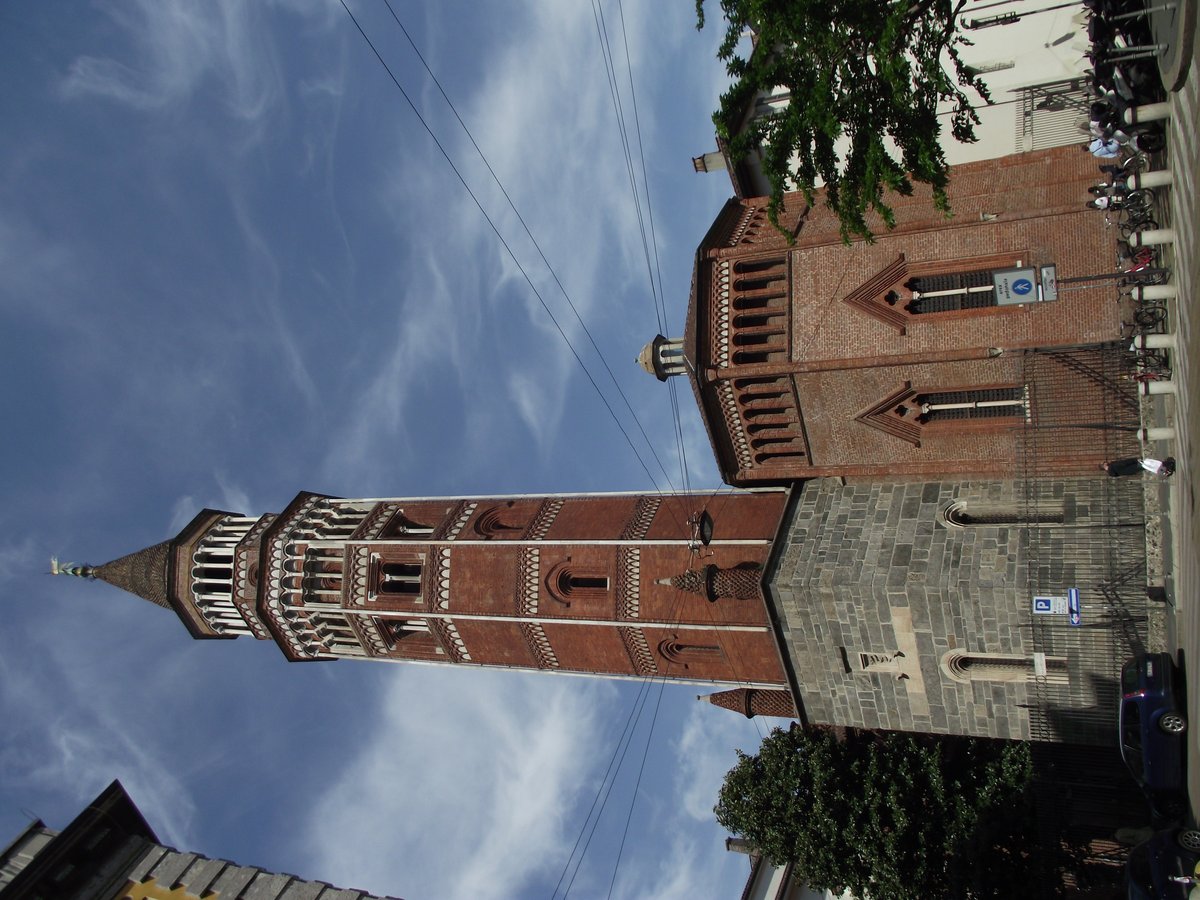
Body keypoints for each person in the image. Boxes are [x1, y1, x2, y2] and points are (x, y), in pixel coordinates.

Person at [1101, 457, 1175, 477]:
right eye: (1105, 463)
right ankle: (1168, 465)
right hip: (1133, 465)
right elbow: (1124, 463)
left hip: (1132, 470)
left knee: (1150, 467)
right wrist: (1135, 460)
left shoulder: (1111, 473)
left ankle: (1166, 470)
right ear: (1104, 466)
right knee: (1151, 463)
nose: (1106, 462)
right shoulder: (1113, 465)